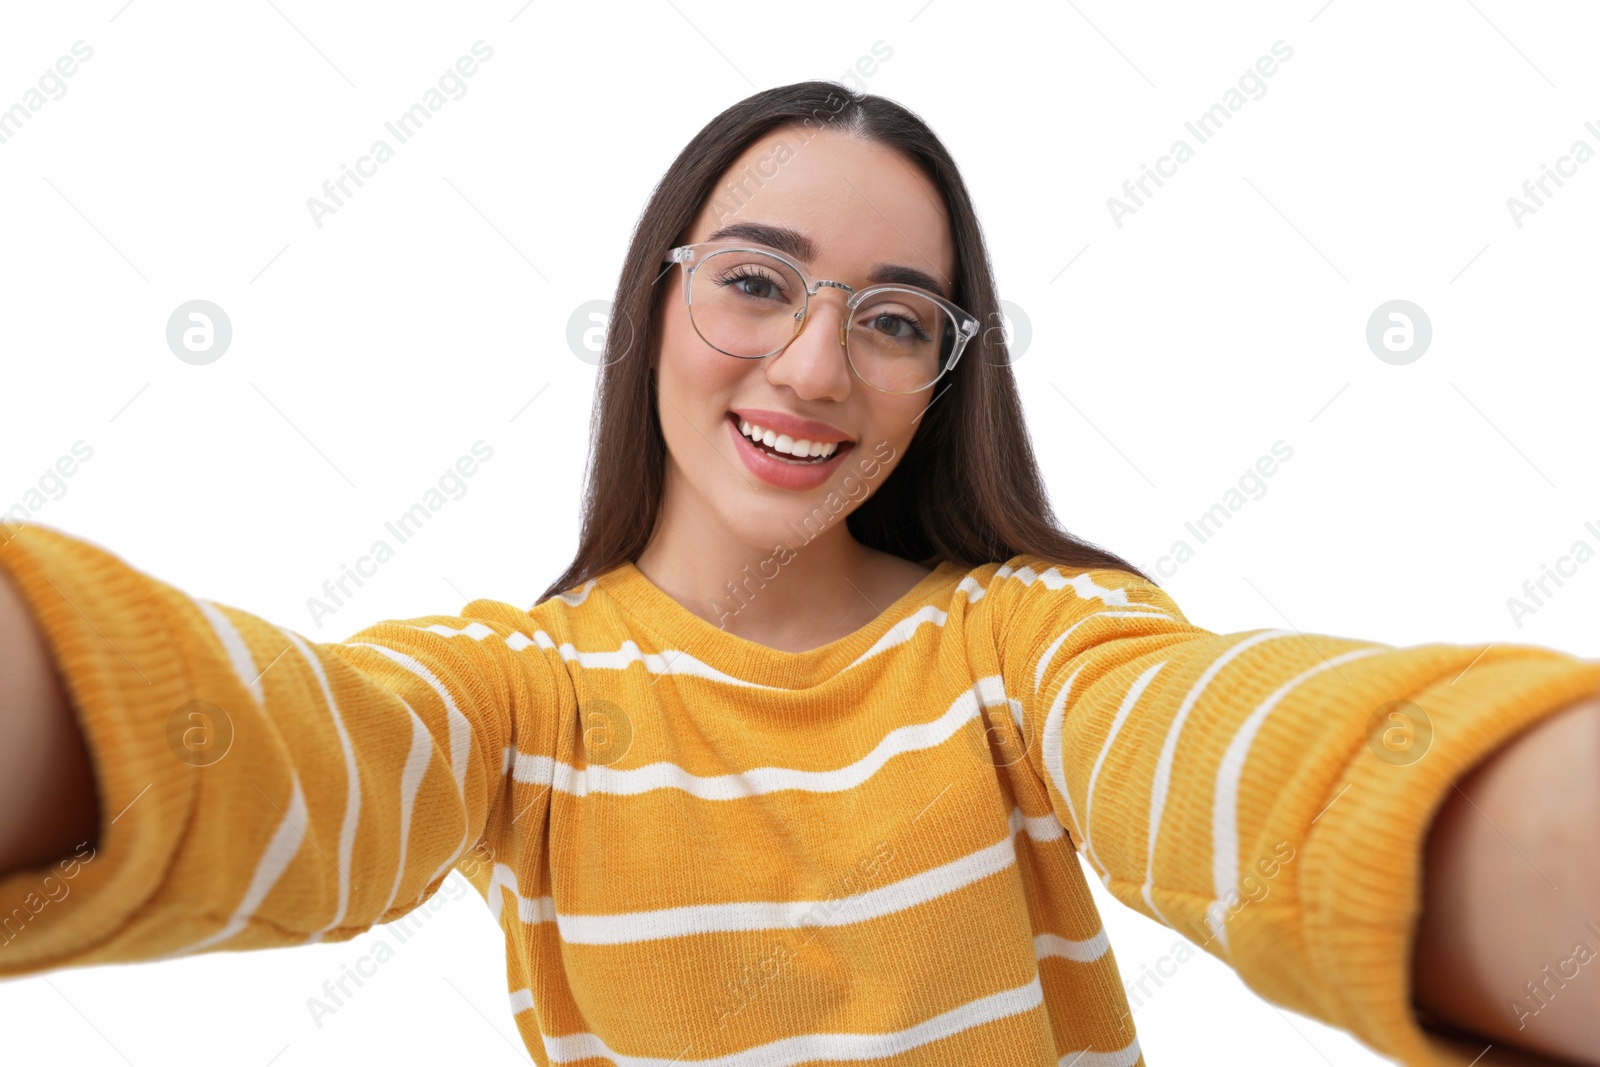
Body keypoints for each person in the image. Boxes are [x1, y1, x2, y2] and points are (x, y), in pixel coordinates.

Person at [0, 80, 1596, 1067]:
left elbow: (1244, 760)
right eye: (759, 284)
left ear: (940, 378)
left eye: (896, 319)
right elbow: (275, 760)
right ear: (656, 308)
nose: (817, 366)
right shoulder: (518, 697)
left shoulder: (1028, 646)